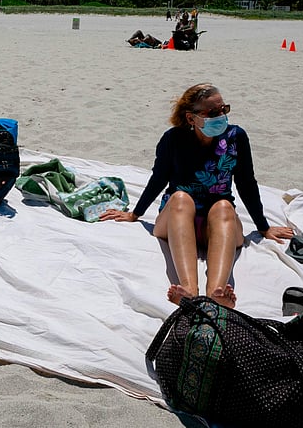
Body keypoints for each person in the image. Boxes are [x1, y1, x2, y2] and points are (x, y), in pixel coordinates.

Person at [100, 84, 292, 307]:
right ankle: (189, 288)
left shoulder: (236, 137)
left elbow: (246, 183)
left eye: (224, 109)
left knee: (224, 206)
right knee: (181, 197)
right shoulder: (173, 139)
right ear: (191, 118)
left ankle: (217, 292)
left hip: (216, 223)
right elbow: (158, 179)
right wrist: (135, 214)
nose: (221, 116)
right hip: (177, 219)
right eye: (212, 112)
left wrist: (263, 227)